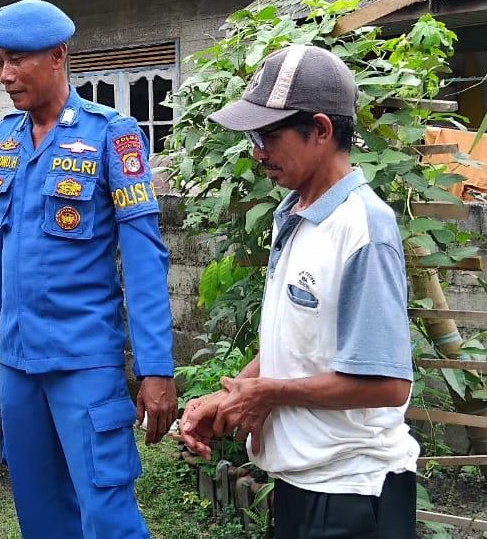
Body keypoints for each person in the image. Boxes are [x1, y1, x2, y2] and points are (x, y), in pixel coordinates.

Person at [0, 0, 177, 539]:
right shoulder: (4, 140)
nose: (5, 75)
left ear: (58, 55)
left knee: (107, 514)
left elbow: (144, 259)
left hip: (84, 363)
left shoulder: (111, 137)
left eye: (18, 60)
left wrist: (156, 368)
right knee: (41, 513)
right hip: (19, 365)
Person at [180, 44, 420, 538]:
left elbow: (389, 385)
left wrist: (270, 394)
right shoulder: (294, 214)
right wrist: (231, 396)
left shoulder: (362, 230)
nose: (257, 150)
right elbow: (298, 347)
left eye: (269, 134)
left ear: (322, 131)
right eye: (253, 135)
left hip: (353, 494)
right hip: (302, 486)